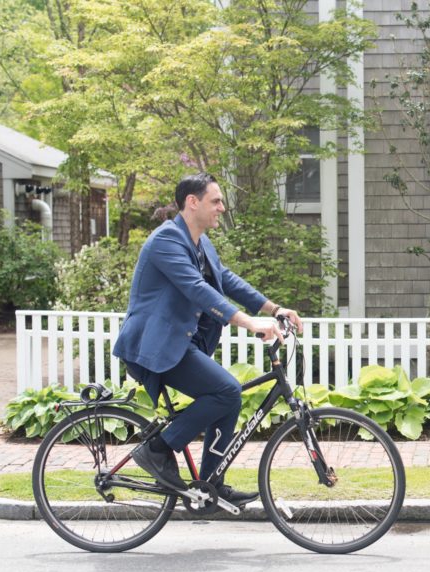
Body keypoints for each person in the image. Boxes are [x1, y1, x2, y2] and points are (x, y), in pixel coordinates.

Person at [113, 172, 303, 506]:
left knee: (228, 397)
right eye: (216, 201)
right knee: (227, 390)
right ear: (192, 202)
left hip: (179, 344)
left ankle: (211, 484)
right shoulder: (166, 240)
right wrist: (249, 323)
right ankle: (157, 449)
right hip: (156, 347)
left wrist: (275, 309)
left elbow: (227, 281)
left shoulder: (201, 244)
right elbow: (197, 289)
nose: (222, 208)